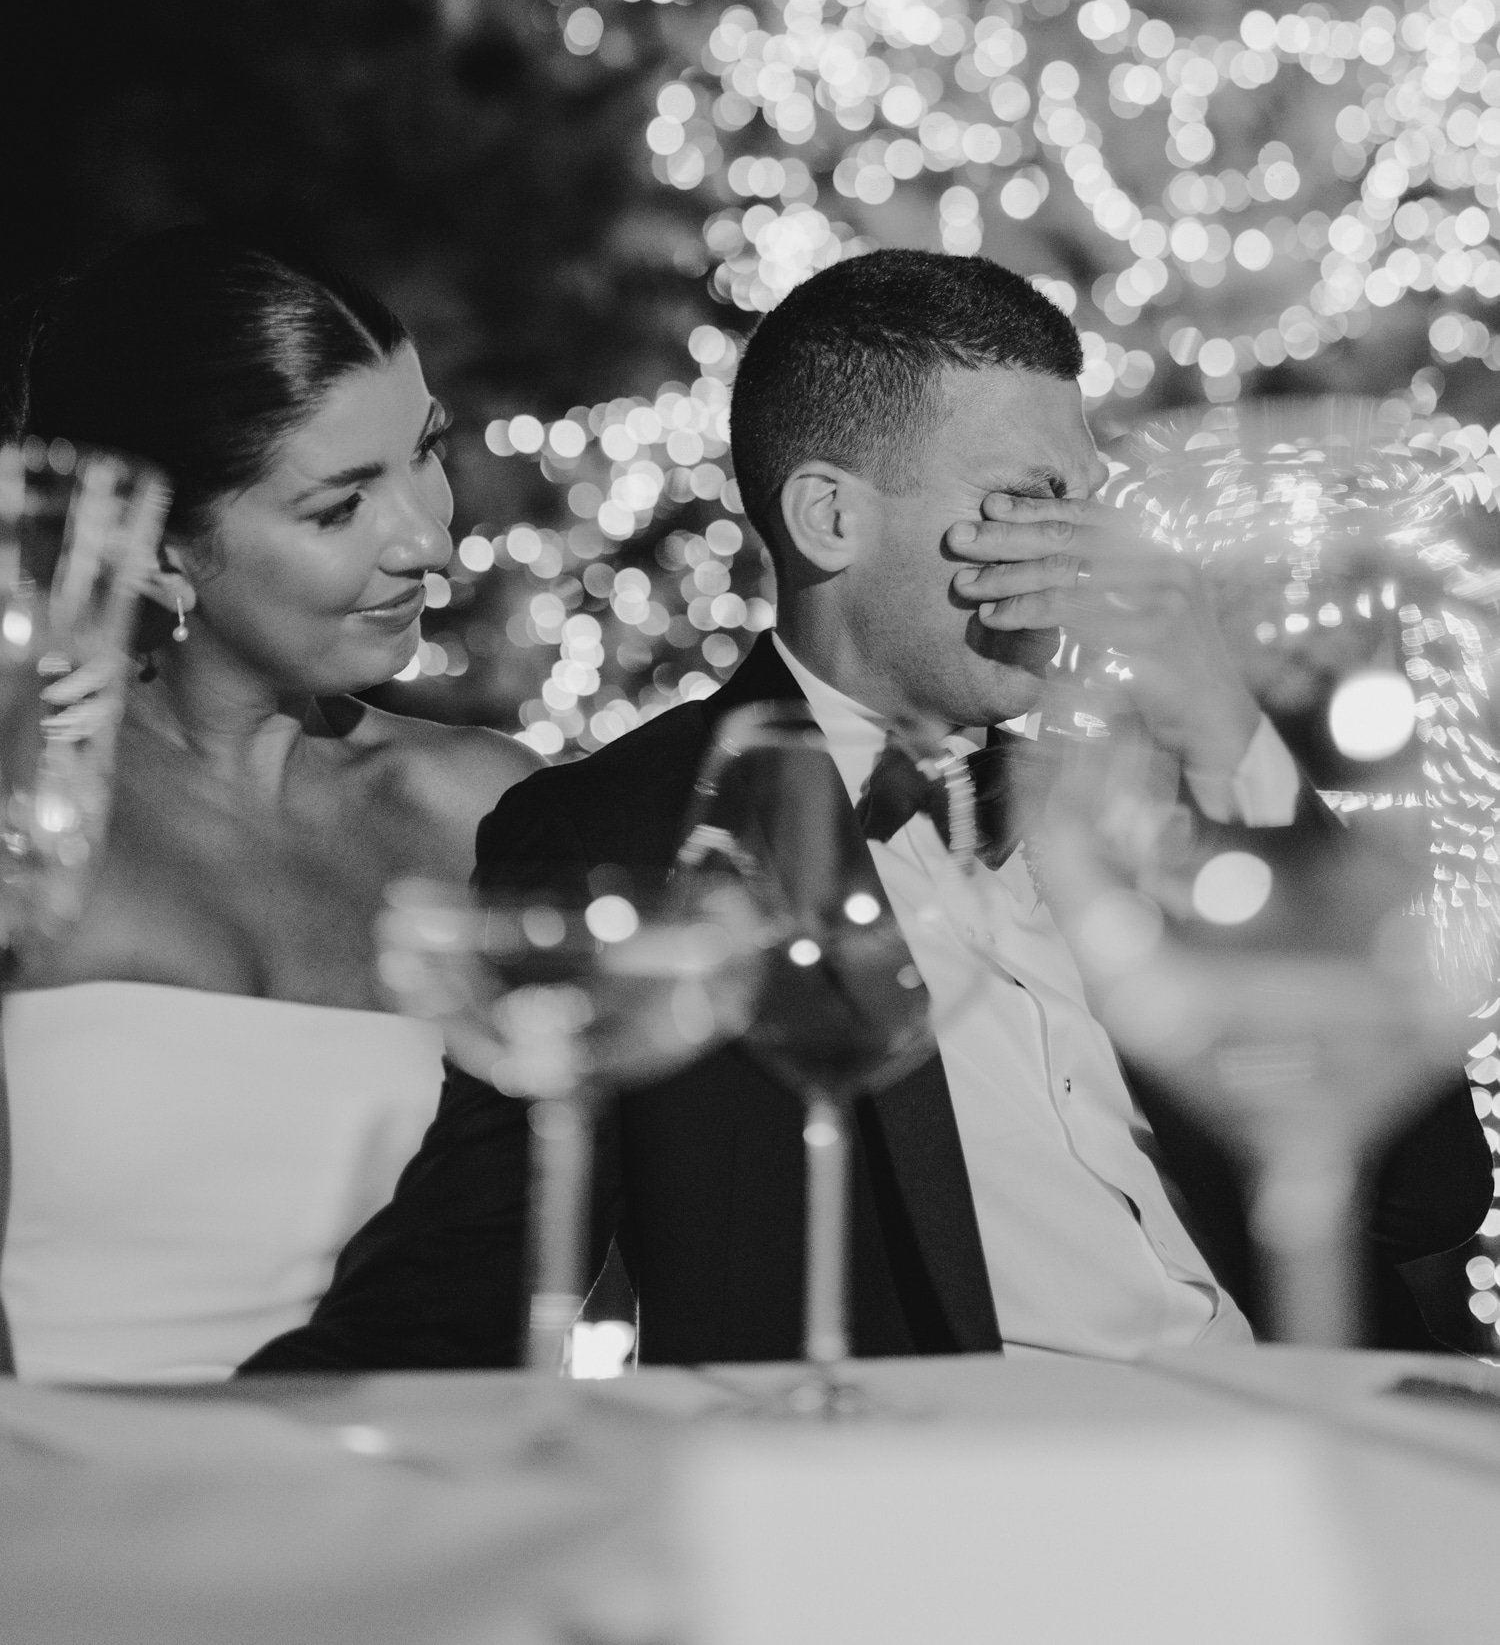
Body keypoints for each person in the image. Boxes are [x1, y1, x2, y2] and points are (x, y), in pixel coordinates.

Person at [243, 251, 1490, 1372]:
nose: (1085, 546)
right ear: (833, 518)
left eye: (1088, 497)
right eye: (1026, 498)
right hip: (950, 1509)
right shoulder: (632, 826)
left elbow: (1427, 1190)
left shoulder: (1144, 804)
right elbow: (491, 1241)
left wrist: (1225, 724)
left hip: (1313, 1441)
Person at [0, 228, 533, 1380]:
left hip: (417, 1498)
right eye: (341, 506)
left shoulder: (488, 810)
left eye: (426, 450)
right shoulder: (26, 814)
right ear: (154, 549)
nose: (432, 542)